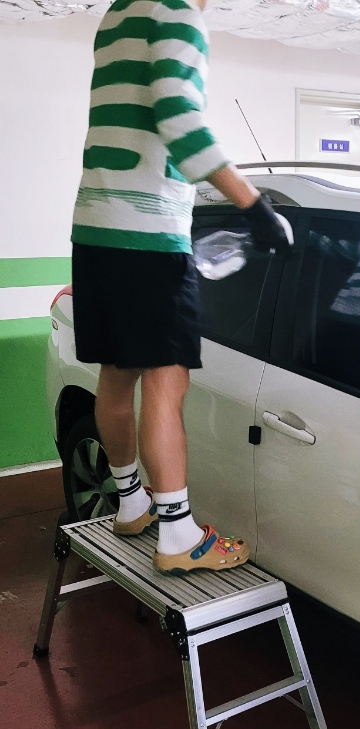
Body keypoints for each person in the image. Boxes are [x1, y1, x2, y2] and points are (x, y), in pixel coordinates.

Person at [71, 0, 290, 573]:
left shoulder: (119, 12)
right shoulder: (178, 14)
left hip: (96, 227)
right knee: (167, 384)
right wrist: (254, 205)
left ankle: (132, 503)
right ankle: (177, 535)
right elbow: (179, 118)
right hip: (147, 234)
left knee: (116, 374)